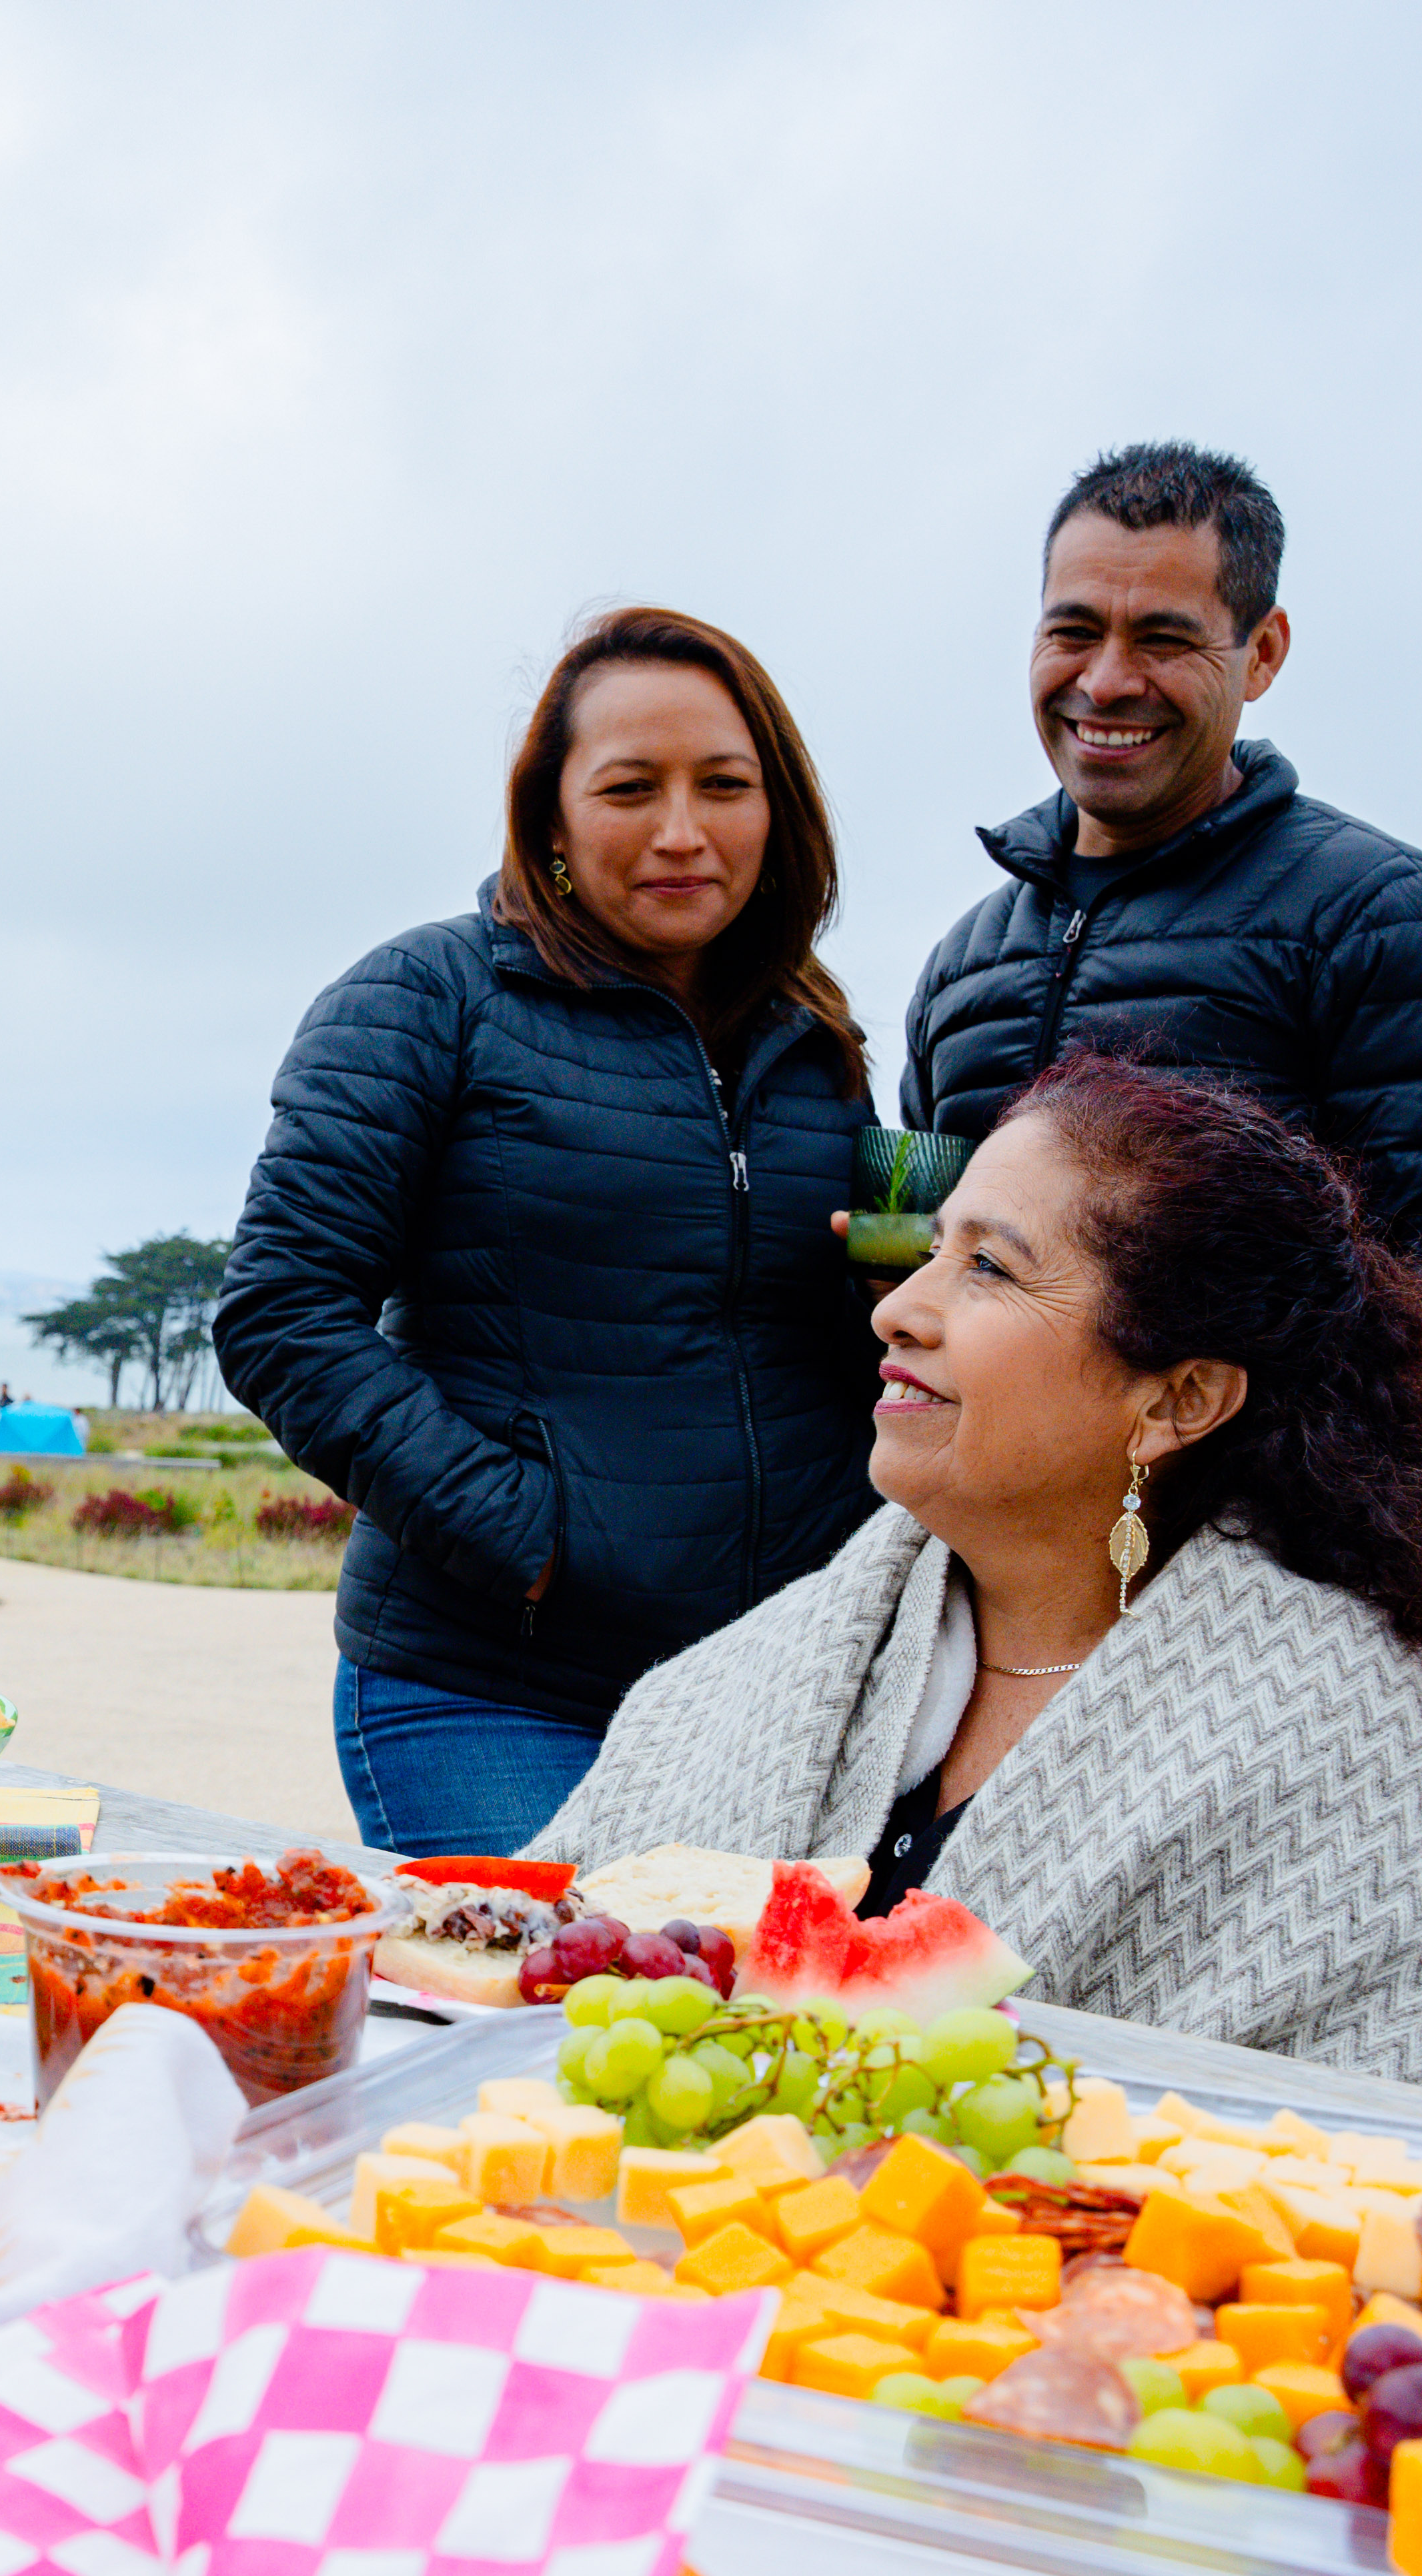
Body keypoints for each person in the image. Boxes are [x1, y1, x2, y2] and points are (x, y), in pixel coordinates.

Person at [526, 1053, 1422, 2097]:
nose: (899, 1311)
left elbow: (1375, 2167)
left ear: (1177, 1401)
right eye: (930, 1248)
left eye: (990, 1270)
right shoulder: (781, 1657)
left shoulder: (1343, 1738)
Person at [217, 607, 881, 1855]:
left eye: (724, 787)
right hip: (496, 1690)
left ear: (776, 812)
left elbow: (817, 1338)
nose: (682, 832)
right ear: (555, 818)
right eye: (631, 788)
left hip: (777, 1694)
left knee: (774, 2039)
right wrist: (522, 1538)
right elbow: (281, 1314)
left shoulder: (818, 1044)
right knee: (564, 2032)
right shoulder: (426, 999)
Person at [894, 443, 1422, 1398]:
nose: (1108, 680)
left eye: (1164, 641)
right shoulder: (964, 966)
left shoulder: (1386, 926)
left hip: (1265, 1541)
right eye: (1074, 631)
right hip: (1005, 1536)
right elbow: (934, 1288)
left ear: (1262, 654)